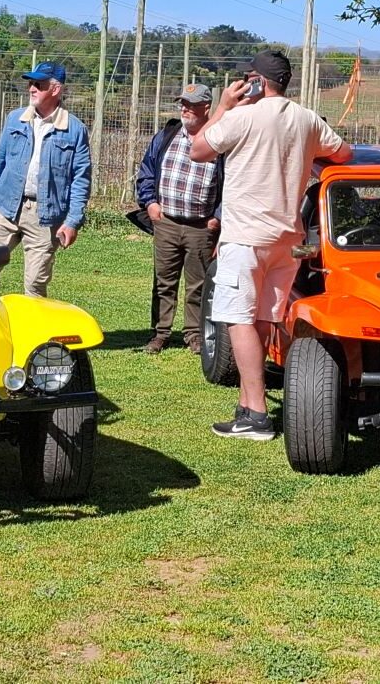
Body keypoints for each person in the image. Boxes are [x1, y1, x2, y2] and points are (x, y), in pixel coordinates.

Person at [190, 49, 354, 440]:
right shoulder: (307, 119)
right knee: (263, 318)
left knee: (238, 319)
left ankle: (258, 414)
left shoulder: (241, 117)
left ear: (259, 81)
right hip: (287, 238)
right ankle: (248, 405)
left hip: (245, 236)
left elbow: (198, 149)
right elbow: (344, 153)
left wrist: (224, 106)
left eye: (250, 77)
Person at [0, 61, 91, 297]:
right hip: (5, 206)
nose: (31, 89)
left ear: (55, 89)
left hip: (45, 215)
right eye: (31, 83)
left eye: (38, 84)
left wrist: (72, 221)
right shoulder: (15, 119)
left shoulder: (75, 129)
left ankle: (32, 332)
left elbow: (81, 179)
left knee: (35, 284)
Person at [136, 82, 223, 355]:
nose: (184, 108)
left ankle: (194, 335)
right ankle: (160, 334)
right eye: (182, 103)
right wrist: (150, 203)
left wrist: (217, 217)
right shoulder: (167, 135)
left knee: (198, 284)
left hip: (201, 226)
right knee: (163, 281)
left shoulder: (220, 142)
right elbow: (147, 170)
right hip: (167, 222)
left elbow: (233, 184)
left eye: (191, 104)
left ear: (206, 108)